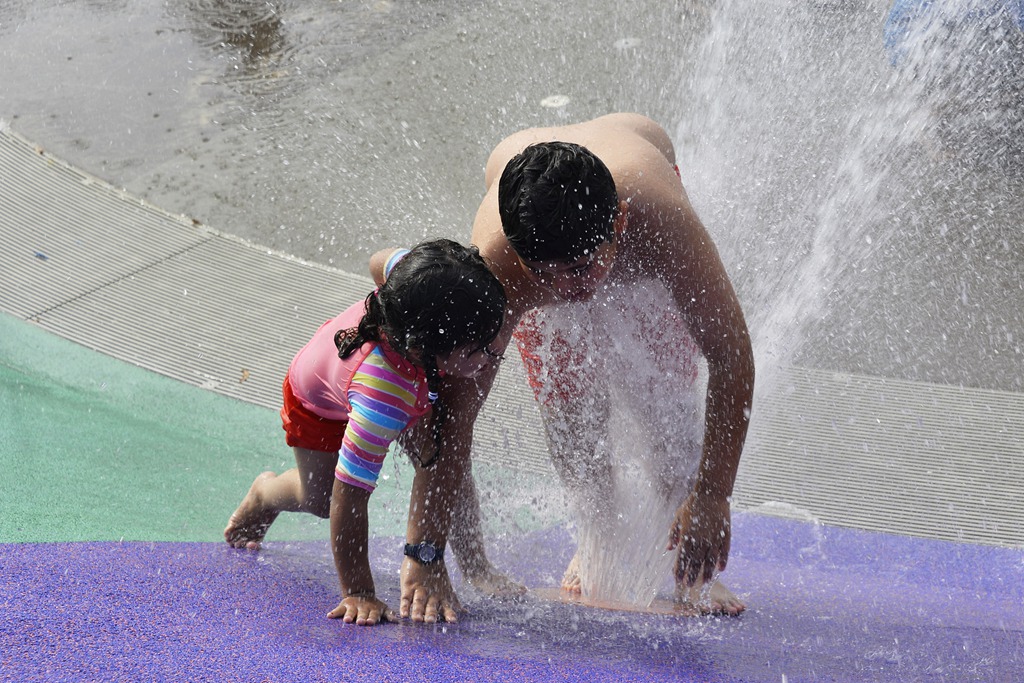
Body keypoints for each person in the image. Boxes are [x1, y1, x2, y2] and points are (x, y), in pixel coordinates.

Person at [391, 113, 755, 622]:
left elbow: (730, 353)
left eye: (583, 268)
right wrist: (424, 555)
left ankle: (688, 561)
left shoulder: (660, 221)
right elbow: (454, 419)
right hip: (532, 196)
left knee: (669, 419)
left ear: (620, 224)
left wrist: (714, 495)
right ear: (520, 255)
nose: (569, 290)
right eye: (547, 275)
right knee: (572, 422)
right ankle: (595, 531)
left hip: (635, 170)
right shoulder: (503, 266)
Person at [224, 238, 507, 626]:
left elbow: (379, 260)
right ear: (429, 349)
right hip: (320, 403)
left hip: (377, 361)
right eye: (480, 349)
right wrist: (359, 592)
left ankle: (477, 565)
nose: (495, 353)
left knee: (444, 460)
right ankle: (264, 495)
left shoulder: (416, 280)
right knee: (321, 498)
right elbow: (350, 497)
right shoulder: (384, 399)